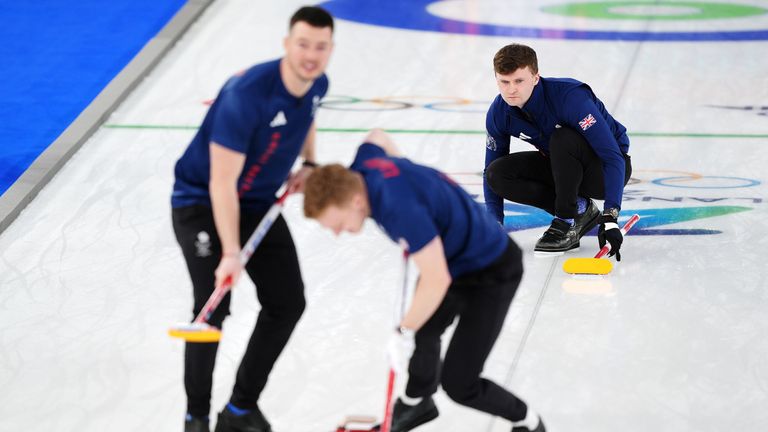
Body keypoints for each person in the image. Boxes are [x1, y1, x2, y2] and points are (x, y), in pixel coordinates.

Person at [303, 129, 546, 432]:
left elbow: (436, 280)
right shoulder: (362, 170)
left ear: (354, 201)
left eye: (337, 224)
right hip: (452, 259)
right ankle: (417, 402)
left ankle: (528, 421)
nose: (338, 232)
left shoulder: (399, 210)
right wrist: (410, 178)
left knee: (460, 383)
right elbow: (376, 136)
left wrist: (402, 330)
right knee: (427, 330)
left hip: (493, 271)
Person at [170, 6, 334, 432]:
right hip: (202, 203)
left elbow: (309, 112)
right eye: (302, 44)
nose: (311, 55)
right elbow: (220, 183)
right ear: (286, 44)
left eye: (320, 46)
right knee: (212, 307)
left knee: (287, 302)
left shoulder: (318, 83)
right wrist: (229, 253)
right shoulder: (247, 94)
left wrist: (311, 163)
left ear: (330, 49)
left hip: (258, 204)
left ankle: (239, 409)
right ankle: (196, 418)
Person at [483, 43, 632, 258]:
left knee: (562, 138)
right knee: (496, 174)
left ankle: (565, 222)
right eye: (504, 82)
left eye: (518, 81)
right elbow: (490, 167)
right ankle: (580, 211)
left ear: (535, 77)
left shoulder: (570, 98)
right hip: (562, 167)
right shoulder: (499, 112)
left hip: (602, 173)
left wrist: (610, 216)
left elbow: (612, 157)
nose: (511, 89)